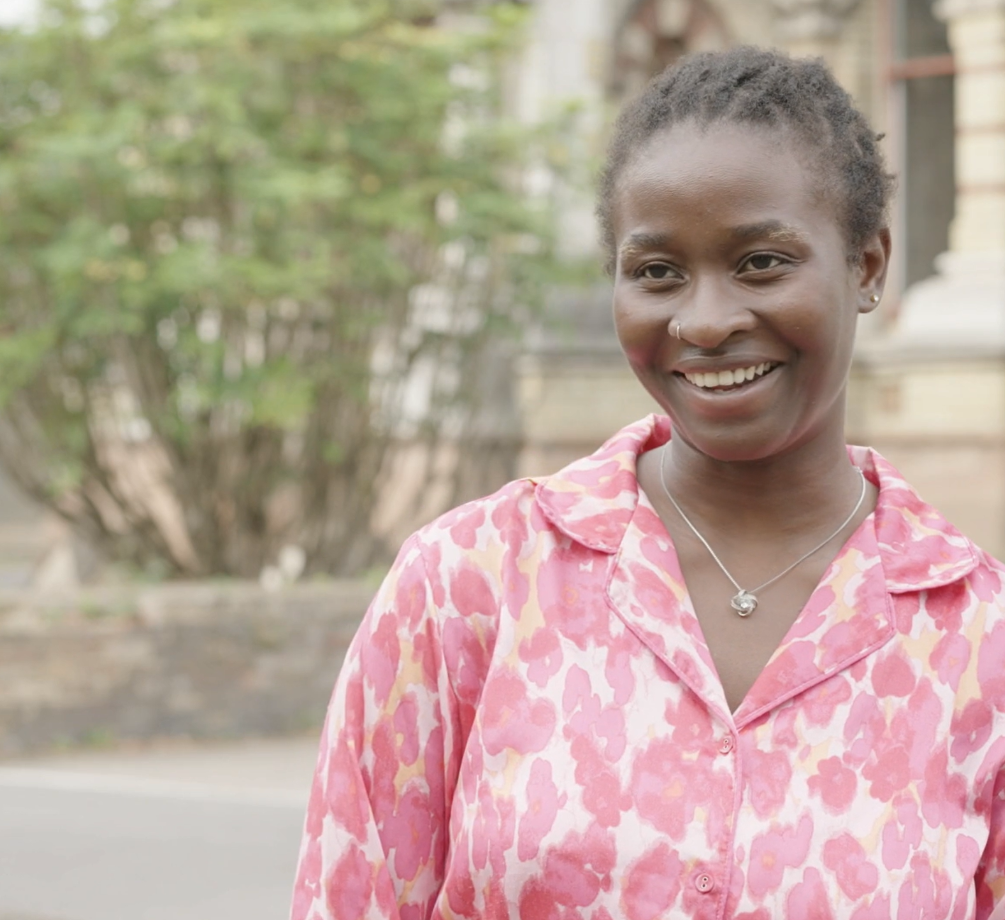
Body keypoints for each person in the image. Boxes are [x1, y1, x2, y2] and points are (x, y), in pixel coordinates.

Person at [290, 47, 1005, 918]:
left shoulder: (975, 641)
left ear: (865, 265)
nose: (703, 321)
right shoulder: (470, 584)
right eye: (657, 272)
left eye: (760, 262)